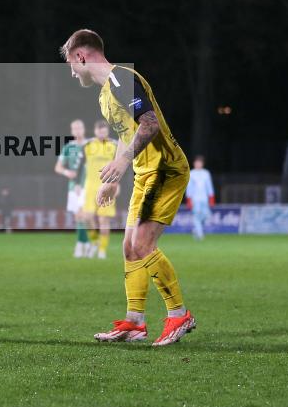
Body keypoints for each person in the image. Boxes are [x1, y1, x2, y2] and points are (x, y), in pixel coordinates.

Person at [61, 29, 195, 347]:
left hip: (164, 168)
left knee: (143, 245)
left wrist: (121, 164)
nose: (71, 72)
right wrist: (114, 178)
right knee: (130, 248)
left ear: (81, 56)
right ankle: (135, 323)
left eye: (70, 65)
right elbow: (127, 133)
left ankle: (179, 315)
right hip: (144, 173)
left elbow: (150, 123)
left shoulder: (121, 78)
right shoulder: (105, 95)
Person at [54, 119, 92, 257]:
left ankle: (83, 244)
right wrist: (66, 172)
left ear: (84, 129)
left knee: (84, 215)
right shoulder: (68, 147)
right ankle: (84, 243)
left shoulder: (91, 145)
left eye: (79, 128)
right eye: (74, 128)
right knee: (77, 216)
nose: (77, 130)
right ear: (71, 131)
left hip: (87, 185)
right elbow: (58, 167)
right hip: (73, 186)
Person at [81, 121, 119, 259]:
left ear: (107, 131)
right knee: (87, 217)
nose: (102, 133)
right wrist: (78, 183)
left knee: (104, 220)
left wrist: (116, 184)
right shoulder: (88, 145)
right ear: (95, 131)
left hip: (106, 186)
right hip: (90, 185)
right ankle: (94, 241)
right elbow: (81, 165)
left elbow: (120, 166)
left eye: (104, 131)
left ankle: (102, 250)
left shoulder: (114, 145)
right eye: (99, 131)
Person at [186, 155, 215, 240]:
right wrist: (189, 199)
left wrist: (211, 198)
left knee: (206, 215)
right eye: (197, 163)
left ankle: (196, 230)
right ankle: (200, 234)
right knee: (196, 216)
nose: (198, 164)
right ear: (194, 163)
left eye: (200, 163)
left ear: (202, 164)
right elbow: (189, 187)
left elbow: (209, 186)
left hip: (204, 199)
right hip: (195, 199)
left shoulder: (206, 173)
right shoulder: (191, 173)